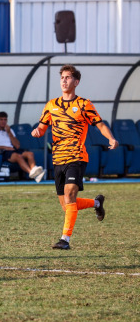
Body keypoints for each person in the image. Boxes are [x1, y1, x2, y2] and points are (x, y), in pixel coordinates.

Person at [31, 64, 117, 250]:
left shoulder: (84, 104)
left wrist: (110, 138)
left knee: (70, 195)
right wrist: (37, 131)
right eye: (62, 77)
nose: (64, 80)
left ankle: (65, 240)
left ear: (76, 82)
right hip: (58, 159)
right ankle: (96, 203)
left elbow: (100, 124)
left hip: (76, 157)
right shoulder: (51, 105)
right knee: (67, 205)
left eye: (68, 77)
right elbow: (42, 127)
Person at [0, 111, 44, 182]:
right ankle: (32, 173)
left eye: (5, 120)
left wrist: (9, 133)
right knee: (18, 156)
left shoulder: (10, 130)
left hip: (13, 150)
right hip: (3, 151)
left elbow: (17, 145)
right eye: (1, 119)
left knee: (30, 154)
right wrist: (5, 147)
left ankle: (34, 173)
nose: (3, 122)